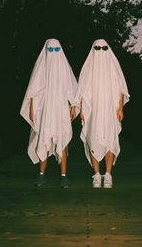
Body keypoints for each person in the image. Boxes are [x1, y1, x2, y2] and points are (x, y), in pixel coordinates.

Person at [72, 39, 130, 188]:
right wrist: (81, 109)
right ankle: (97, 174)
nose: (100, 51)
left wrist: (120, 108)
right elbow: (82, 91)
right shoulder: (88, 69)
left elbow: (121, 89)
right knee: (93, 139)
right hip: (93, 111)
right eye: (97, 48)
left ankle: (108, 174)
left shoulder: (113, 68)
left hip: (110, 110)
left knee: (110, 139)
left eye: (104, 48)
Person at [20, 39, 77, 188]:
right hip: (44, 109)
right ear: (45, 51)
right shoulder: (41, 67)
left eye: (56, 50)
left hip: (60, 109)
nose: (53, 53)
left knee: (62, 140)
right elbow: (33, 90)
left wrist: (73, 106)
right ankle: (41, 175)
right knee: (43, 139)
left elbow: (72, 88)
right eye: (50, 50)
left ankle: (64, 176)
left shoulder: (64, 67)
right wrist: (32, 108)